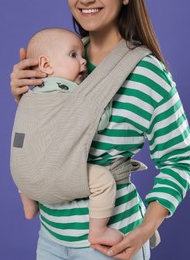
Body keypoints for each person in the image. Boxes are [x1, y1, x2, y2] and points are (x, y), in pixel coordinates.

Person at [10, 1, 190, 259]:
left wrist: (145, 230)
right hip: (50, 235)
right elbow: (44, 138)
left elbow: (181, 160)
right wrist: (26, 99)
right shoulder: (59, 57)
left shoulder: (147, 74)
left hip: (110, 243)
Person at [17, 27, 123, 246]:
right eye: (74, 55)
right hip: (56, 173)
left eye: (83, 57)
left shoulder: (30, 93)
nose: (83, 62)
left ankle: (28, 204)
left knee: (23, 160)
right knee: (103, 181)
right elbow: (97, 121)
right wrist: (105, 98)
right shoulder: (72, 92)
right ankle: (98, 231)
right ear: (46, 65)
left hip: (23, 173)